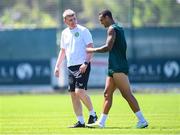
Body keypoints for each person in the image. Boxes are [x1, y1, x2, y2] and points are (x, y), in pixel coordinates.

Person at [86, 9, 148, 128]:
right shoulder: (119, 28)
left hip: (118, 66)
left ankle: (142, 120)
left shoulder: (112, 29)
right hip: (114, 66)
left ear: (107, 17)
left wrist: (91, 50)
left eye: (101, 20)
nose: (101, 23)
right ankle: (101, 122)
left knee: (127, 94)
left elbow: (108, 47)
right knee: (107, 94)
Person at [54, 9, 97, 128]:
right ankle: (80, 121)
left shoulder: (84, 30)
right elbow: (62, 51)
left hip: (82, 65)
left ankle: (93, 114)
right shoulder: (64, 33)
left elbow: (90, 47)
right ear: (65, 21)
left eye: (74, 19)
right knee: (73, 94)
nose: (73, 21)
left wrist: (85, 63)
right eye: (70, 20)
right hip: (70, 66)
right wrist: (57, 66)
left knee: (79, 92)